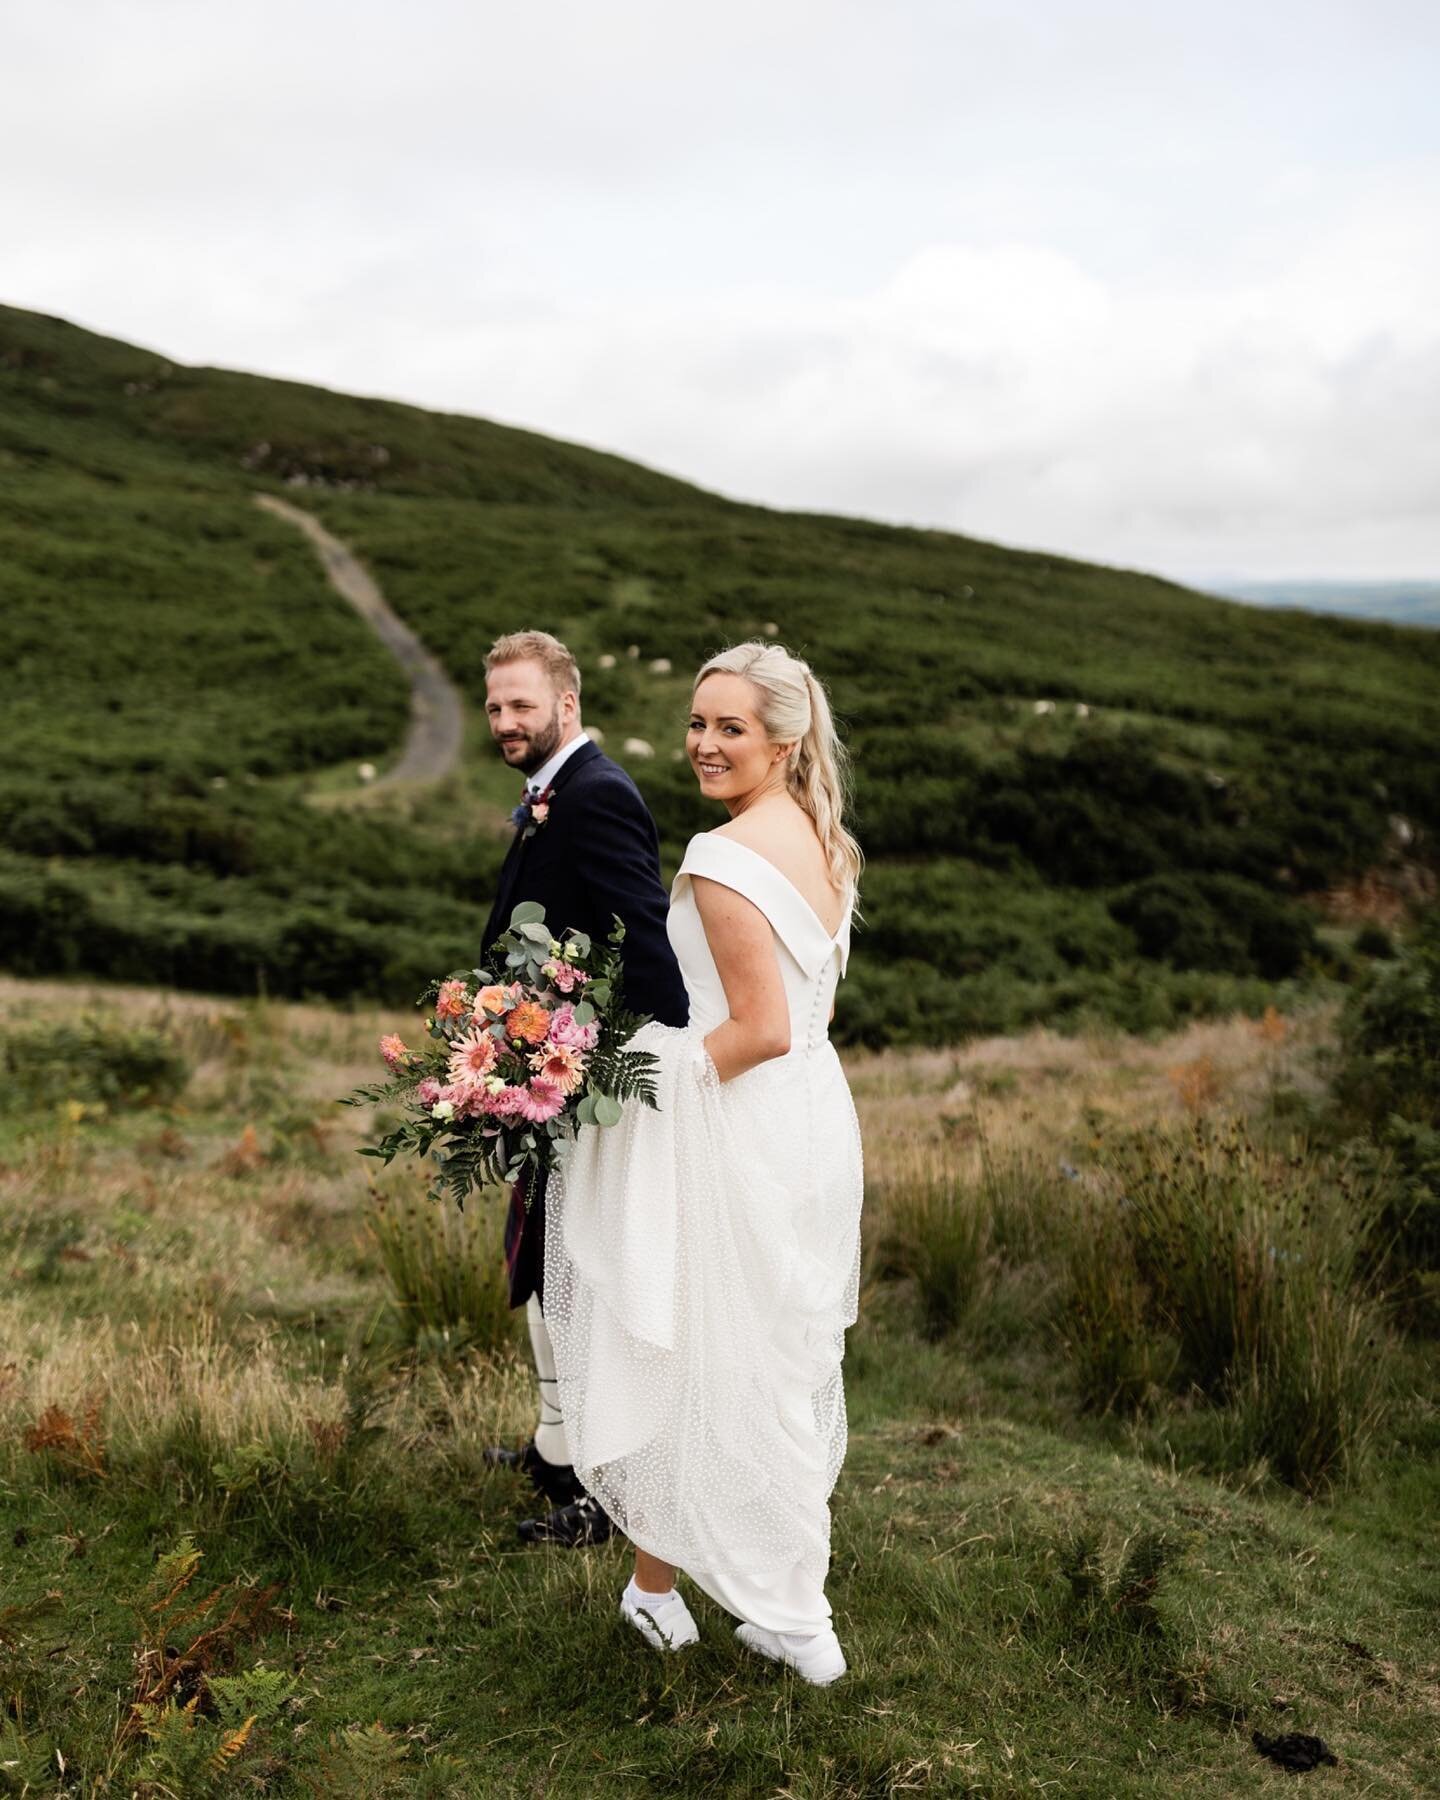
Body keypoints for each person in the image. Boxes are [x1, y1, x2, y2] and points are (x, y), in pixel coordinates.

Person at [544, 641, 864, 1685]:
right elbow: (799, 1022)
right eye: (696, 723)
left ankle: (791, 1615)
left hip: (739, 1123)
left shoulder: (726, 859)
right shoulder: (820, 837)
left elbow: (759, 1028)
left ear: (785, 736)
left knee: (702, 1356)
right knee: (762, 1352)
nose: (706, 745)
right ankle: (661, 1592)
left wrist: (632, 1078)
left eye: (731, 727)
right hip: (810, 1122)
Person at [479, 630, 688, 1546]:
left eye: (521, 704)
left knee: (590, 1285)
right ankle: (558, 1450)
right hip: (548, 1085)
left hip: (594, 1092)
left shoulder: (597, 796)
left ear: (566, 702)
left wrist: (597, 1068)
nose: (505, 722)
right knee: (546, 1271)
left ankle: (609, 1494)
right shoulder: (548, 796)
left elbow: (646, 952)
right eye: (493, 707)